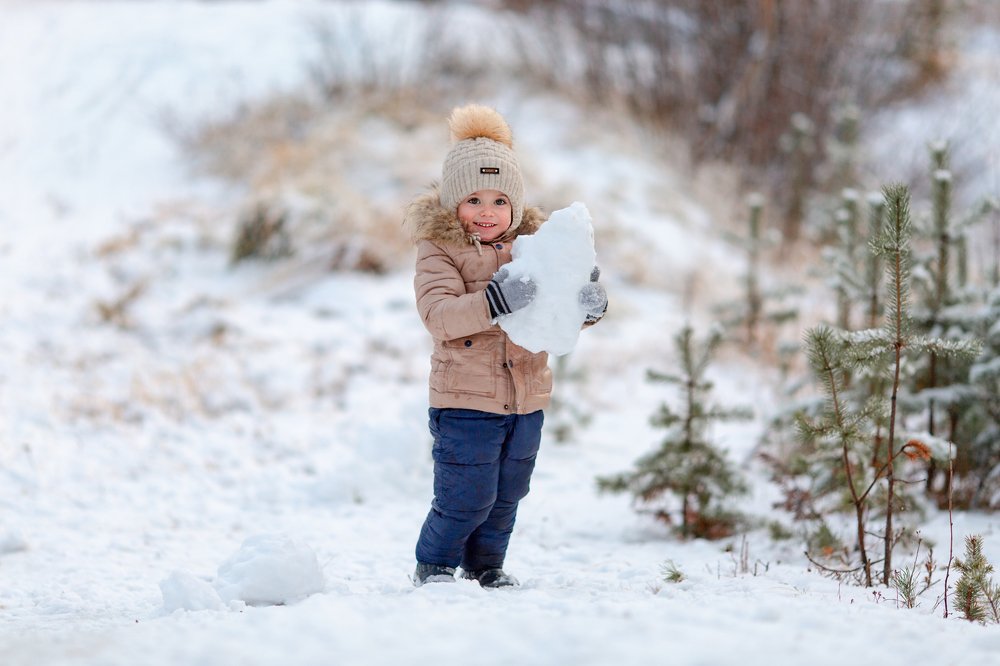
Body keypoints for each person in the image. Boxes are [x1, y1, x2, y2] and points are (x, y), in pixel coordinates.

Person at [403, 104, 608, 588]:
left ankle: (486, 565)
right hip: (465, 398)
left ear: (514, 206)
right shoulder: (438, 249)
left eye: (499, 201)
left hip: (526, 398)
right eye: (474, 200)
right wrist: (494, 299)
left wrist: (587, 307)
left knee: (507, 493)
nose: (487, 213)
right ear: (453, 203)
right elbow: (438, 315)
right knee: (465, 492)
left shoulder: (534, 248)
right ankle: (434, 564)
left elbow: (552, 314)